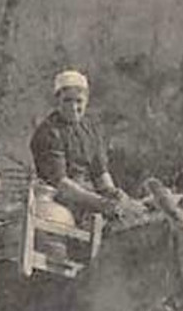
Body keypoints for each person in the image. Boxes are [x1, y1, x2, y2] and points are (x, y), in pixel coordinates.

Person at [29, 69, 138, 222]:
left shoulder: (90, 130)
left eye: (78, 101)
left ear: (86, 101)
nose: (73, 107)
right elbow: (61, 184)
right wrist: (101, 203)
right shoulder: (48, 132)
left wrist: (114, 194)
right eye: (67, 100)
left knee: (134, 212)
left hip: (92, 196)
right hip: (62, 201)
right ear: (57, 101)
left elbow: (101, 174)